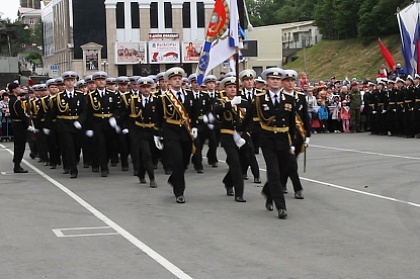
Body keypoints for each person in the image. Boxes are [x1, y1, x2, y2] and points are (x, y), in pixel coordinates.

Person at [256, 68, 296, 219]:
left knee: (284, 171)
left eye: (278, 79)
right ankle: (282, 207)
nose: (275, 81)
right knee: (273, 172)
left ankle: (268, 192)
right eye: (272, 79)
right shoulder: (260, 99)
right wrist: (239, 134)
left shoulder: (289, 100)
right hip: (268, 141)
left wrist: (293, 142)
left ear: (281, 82)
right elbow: (252, 120)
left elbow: (292, 124)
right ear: (267, 81)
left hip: (284, 140)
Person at [156, 67, 197, 203]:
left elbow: (194, 114)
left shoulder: (189, 95)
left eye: (179, 79)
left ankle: (174, 179)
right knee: (178, 161)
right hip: (171, 131)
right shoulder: (163, 97)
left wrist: (195, 127)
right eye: (174, 79)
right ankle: (179, 192)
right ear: (168, 82)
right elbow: (158, 117)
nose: (178, 81)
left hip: (186, 132)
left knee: (185, 161)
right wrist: (158, 134)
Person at [213, 76, 250, 202]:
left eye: (235, 87)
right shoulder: (220, 101)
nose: (233, 89)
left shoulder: (243, 101)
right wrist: (231, 103)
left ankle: (228, 182)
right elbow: (215, 110)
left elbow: (251, 114)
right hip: (227, 135)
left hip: (242, 135)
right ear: (225, 89)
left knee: (245, 160)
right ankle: (239, 193)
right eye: (230, 87)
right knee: (234, 162)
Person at [45, 71, 87, 178]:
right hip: (64, 125)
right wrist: (49, 126)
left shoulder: (81, 96)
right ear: (64, 82)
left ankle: (73, 162)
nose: (70, 83)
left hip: (77, 124)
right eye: (68, 81)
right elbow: (52, 113)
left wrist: (80, 121)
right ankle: (73, 169)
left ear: (75, 82)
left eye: (72, 80)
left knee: (77, 146)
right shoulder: (58, 97)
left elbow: (84, 111)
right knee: (69, 147)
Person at [85, 71, 121, 177]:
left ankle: (103, 162)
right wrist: (89, 127)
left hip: (109, 123)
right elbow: (89, 113)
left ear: (105, 81)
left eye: (102, 80)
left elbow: (117, 109)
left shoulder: (112, 94)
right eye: (98, 80)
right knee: (100, 145)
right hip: (97, 123)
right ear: (95, 82)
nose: (101, 82)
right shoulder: (91, 96)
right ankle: (103, 167)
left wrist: (114, 118)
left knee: (110, 145)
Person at [8, 82, 29, 173]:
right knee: (20, 145)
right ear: (14, 90)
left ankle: (17, 164)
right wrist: (27, 124)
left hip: (16, 124)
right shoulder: (16, 101)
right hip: (19, 125)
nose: (19, 89)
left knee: (18, 145)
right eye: (17, 88)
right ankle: (17, 165)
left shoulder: (12, 100)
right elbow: (21, 115)